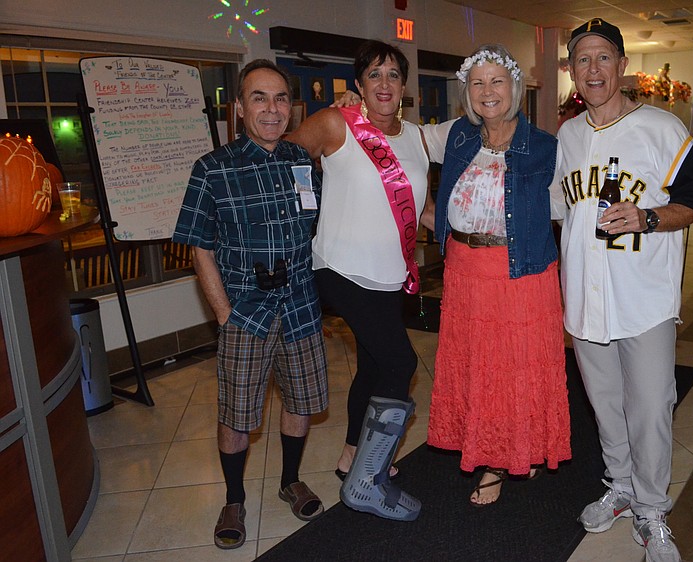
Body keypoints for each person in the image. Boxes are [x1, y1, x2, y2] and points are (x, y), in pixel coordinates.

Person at [550, 19, 693, 562]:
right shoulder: (567, 137)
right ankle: (619, 486)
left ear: (622, 66)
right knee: (606, 405)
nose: (592, 69)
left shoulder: (663, 128)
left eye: (603, 58)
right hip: (586, 300)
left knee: (650, 408)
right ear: (571, 71)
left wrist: (647, 216)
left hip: (643, 298)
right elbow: (558, 211)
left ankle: (651, 508)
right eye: (582, 60)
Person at [172, 59, 328, 550]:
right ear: (240, 107)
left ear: (291, 107)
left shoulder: (302, 163)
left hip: (301, 305)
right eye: (259, 97)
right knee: (237, 415)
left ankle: (290, 480)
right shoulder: (212, 170)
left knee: (301, 403)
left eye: (280, 98)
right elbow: (199, 247)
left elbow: (319, 225)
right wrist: (224, 313)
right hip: (246, 312)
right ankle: (234, 497)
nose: (272, 108)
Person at [287, 40, 431, 522]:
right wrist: (307, 207)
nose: (385, 83)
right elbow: (285, 160)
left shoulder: (415, 136)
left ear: (405, 87)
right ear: (359, 86)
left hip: (390, 273)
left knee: (372, 366)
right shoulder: (336, 122)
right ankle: (367, 482)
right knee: (401, 361)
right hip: (341, 267)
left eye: (393, 74)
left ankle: (352, 456)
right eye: (374, 74)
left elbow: (418, 204)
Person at [422, 44, 571, 506]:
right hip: (465, 273)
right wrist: (359, 109)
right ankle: (484, 448)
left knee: (515, 371)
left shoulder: (547, 145)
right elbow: (397, 137)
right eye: (477, 83)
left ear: (515, 88)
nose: (488, 92)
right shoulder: (457, 137)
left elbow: (573, 209)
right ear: (467, 92)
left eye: (497, 81)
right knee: (478, 371)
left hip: (521, 276)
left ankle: (502, 460)